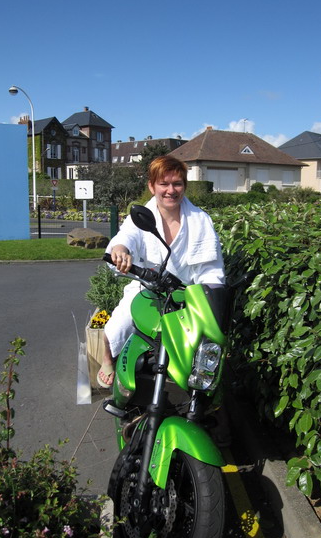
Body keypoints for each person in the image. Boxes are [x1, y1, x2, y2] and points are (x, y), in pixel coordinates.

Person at [97, 154, 226, 388]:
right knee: (119, 324)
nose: (171, 190)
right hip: (147, 287)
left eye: (177, 184)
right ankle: (107, 359)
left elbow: (211, 268)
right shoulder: (142, 216)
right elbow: (127, 236)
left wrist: (210, 296)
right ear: (151, 186)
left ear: (185, 186)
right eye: (163, 184)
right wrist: (120, 249)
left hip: (187, 292)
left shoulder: (201, 220)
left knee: (201, 342)